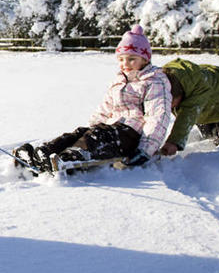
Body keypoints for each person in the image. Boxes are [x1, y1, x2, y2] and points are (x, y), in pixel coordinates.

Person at [13, 25, 173, 174]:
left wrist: (145, 150)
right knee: (80, 133)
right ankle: (44, 152)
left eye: (132, 59)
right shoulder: (120, 80)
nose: (125, 64)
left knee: (97, 136)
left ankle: (71, 157)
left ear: (145, 59)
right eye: (122, 59)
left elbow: (158, 116)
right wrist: (91, 128)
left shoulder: (154, 81)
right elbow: (106, 107)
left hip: (131, 135)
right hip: (111, 128)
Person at [160, 58, 219, 156]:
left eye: (170, 103)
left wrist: (174, 142)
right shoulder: (159, 84)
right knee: (210, 135)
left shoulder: (198, 89)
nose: (167, 106)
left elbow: (187, 115)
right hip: (205, 100)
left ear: (179, 95)